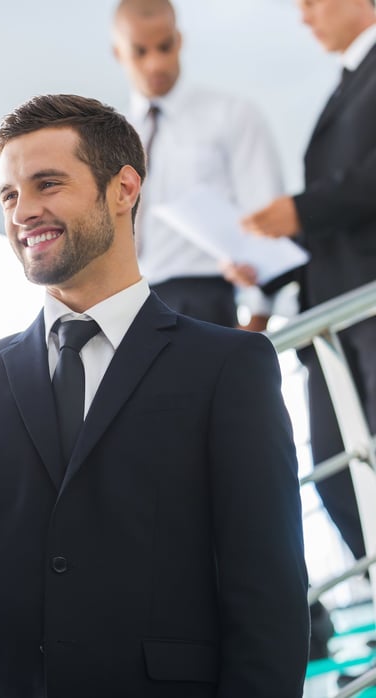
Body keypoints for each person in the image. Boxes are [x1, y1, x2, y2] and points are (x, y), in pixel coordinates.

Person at [0, 94, 311, 696]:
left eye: (48, 184)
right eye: (9, 196)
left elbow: (268, 594)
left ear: (124, 188)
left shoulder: (229, 369)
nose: (23, 213)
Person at [243, 0, 376, 585]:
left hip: (368, 308)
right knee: (333, 466)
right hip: (332, 316)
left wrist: (301, 209)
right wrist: (268, 271)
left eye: (315, 1)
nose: (304, 17)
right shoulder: (345, 85)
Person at [111, 0, 284, 330]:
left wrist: (259, 316)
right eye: (139, 51)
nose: (155, 63)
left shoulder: (232, 115)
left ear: (179, 41)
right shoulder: (112, 136)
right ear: (118, 53)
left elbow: (265, 214)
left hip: (205, 298)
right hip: (129, 303)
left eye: (164, 47)